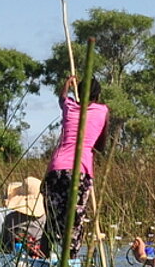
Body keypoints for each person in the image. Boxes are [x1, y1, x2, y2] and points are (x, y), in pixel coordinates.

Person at [41, 76, 110, 256]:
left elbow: (62, 98)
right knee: (74, 222)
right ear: (98, 95)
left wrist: (66, 85)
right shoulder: (102, 111)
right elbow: (101, 146)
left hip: (56, 169)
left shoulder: (70, 107)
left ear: (78, 93)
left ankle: (44, 259)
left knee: (52, 221)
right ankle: (69, 262)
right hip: (80, 170)